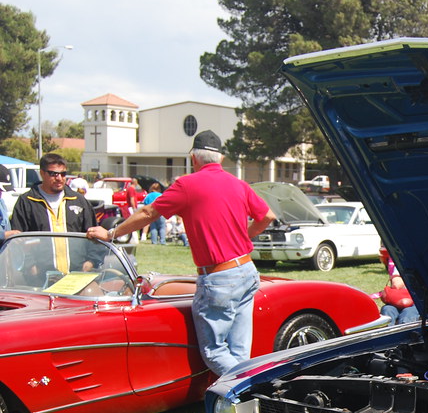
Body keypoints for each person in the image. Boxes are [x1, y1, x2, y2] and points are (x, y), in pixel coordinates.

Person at [87, 130, 277, 375]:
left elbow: (148, 214)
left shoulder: (187, 184)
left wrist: (111, 234)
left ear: (193, 158)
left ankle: (252, 385)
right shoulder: (238, 184)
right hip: (246, 270)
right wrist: (242, 236)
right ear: (220, 159)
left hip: (219, 278)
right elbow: (267, 216)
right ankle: (243, 399)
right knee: (239, 349)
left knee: (215, 352)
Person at [11, 153, 97, 236]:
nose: (59, 178)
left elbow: (92, 236)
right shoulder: (26, 202)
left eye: (63, 174)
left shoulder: (79, 201)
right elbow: (19, 239)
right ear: (42, 173)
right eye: (54, 174)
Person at [377, 247, 419, 325]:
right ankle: (388, 332)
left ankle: (404, 333)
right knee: (387, 310)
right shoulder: (400, 265)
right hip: (397, 300)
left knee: (408, 313)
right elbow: (396, 284)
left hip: (416, 302)